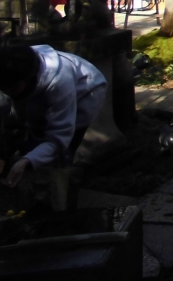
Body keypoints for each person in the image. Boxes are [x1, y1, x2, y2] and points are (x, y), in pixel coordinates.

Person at [0, 45, 107, 187]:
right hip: (42, 90)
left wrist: (27, 161)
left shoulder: (61, 82)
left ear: (30, 77)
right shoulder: (9, 68)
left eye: (12, 88)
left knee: (64, 147)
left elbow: (59, 137)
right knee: (31, 133)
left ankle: (61, 184)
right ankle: (24, 171)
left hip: (86, 93)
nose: (7, 91)